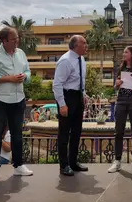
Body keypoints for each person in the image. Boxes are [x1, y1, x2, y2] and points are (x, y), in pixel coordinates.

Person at [0, 27, 33, 183]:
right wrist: (8, 79)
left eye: (17, 38)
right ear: (4, 40)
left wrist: (25, 76)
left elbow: (28, 71)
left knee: (17, 133)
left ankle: (18, 166)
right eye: (14, 39)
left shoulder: (21, 53)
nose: (17, 41)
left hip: (18, 99)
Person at [52, 35, 89, 176]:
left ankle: (73, 162)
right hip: (67, 97)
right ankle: (64, 165)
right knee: (64, 132)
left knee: (76, 131)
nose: (86, 45)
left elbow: (80, 80)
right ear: (75, 45)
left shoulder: (81, 59)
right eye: (84, 43)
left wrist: (83, 94)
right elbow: (57, 84)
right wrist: (62, 104)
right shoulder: (65, 61)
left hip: (77, 96)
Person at [108, 46, 132, 173]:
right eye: (123, 52)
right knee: (119, 131)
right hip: (121, 101)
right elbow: (116, 86)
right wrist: (116, 85)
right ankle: (117, 161)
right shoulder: (121, 68)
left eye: (126, 52)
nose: (123, 54)